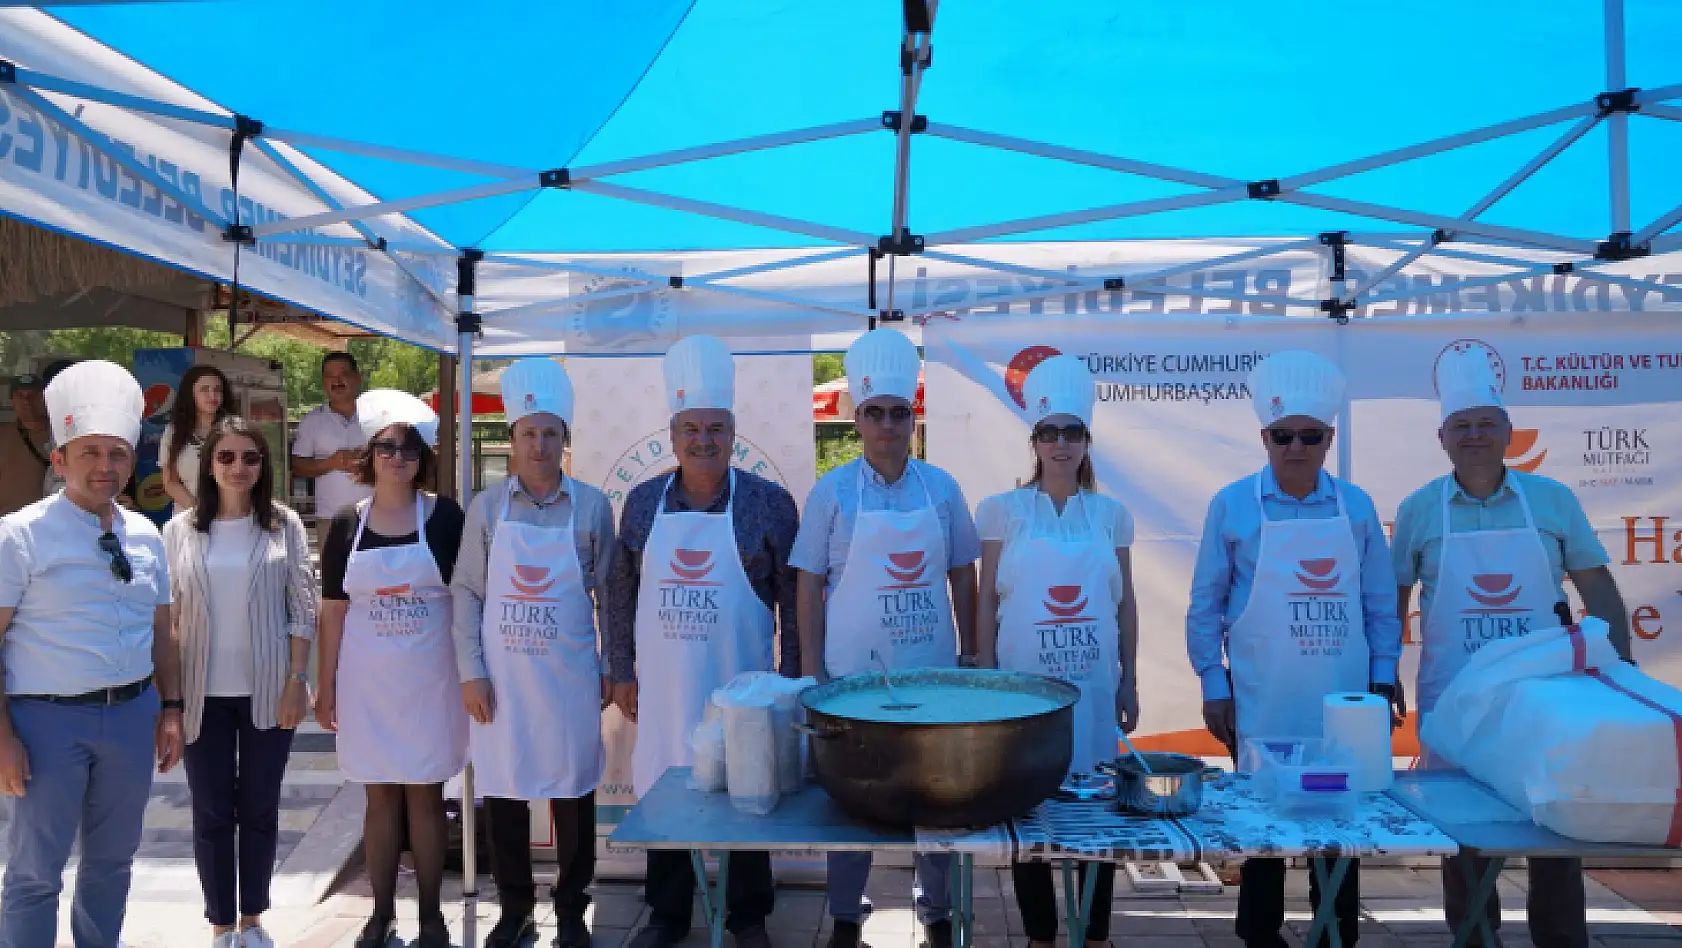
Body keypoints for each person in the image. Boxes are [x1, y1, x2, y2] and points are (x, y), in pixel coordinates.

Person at [1393, 347, 1631, 948]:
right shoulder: (1419, 509)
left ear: (1507, 432)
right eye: (1461, 426)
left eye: (1485, 424)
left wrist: (1621, 673)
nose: (1474, 436)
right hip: (1456, 698)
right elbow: (1392, 601)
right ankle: (1474, 939)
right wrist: (1383, 673)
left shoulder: (1552, 501)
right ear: (1442, 438)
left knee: (1556, 826)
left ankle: (1562, 942)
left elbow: (1597, 587)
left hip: (1546, 697)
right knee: (1464, 835)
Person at [1185, 350, 1402, 948]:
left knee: (1341, 829)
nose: (1296, 447)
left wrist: (1383, 682)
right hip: (1264, 697)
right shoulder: (1232, 505)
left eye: (1310, 435)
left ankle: (1337, 934)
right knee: (1265, 830)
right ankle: (1260, 936)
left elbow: (1380, 606)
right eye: (1283, 436)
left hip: (1343, 702)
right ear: (1264, 436)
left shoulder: (1355, 506)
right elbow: (1205, 606)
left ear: (1330, 437)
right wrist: (1214, 685)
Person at [607, 336, 800, 948]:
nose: (704, 440)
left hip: (741, 683)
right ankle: (667, 913)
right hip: (662, 682)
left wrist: (792, 678)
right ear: (673, 436)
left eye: (716, 428)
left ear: (734, 434)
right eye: (691, 428)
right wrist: (622, 669)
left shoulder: (769, 504)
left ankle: (748, 916)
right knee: (666, 792)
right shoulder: (641, 504)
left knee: (749, 791)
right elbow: (619, 591)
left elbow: (793, 599)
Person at [794, 328, 980, 948]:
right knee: (856, 799)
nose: (887, 425)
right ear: (858, 419)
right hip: (853, 680)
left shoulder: (943, 488)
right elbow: (808, 585)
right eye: (874, 413)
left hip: (933, 673)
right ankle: (846, 914)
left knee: (938, 797)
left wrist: (970, 660)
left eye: (898, 413)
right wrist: (815, 671)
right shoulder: (832, 492)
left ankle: (939, 912)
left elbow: (963, 576)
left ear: (912, 416)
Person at [0, 359, 185, 947]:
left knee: (113, 863)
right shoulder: (19, 535)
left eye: (118, 454)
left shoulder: (146, 534)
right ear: (60, 460)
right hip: (44, 722)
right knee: (34, 873)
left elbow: (163, 631)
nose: (106, 467)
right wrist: (2, 737)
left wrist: (172, 708)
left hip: (130, 717)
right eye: (90, 453)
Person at [452, 358, 615, 948]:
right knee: (504, 793)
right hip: (502, 678)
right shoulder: (488, 508)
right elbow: (466, 592)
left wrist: (610, 667)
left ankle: (572, 907)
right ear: (512, 438)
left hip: (570, 674)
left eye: (551, 433)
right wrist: (471, 673)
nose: (540, 445)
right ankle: (514, 908)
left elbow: (610, 596)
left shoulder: (593, 506)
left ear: (564, 439)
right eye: (529, 433)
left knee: (573, 793)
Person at [975, 355, 1137, 948]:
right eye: (1050, 432)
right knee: (1031, 814)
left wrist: (1130, 681)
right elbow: (986, 601)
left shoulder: (1110, 515)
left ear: (1087, 440)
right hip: (1023, 695)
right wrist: (985, 681)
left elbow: (1126, 607)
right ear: (1034, 441)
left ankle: (1094, 935)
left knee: (1098, 817)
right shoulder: (1002, 511)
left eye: (1072, 432)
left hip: (1093, 688)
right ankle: (1041, 938)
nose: (1061, 443)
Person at [315, 390, 467, 948]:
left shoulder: (446, 517)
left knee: (426, 796)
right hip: (367, 683)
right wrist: (324, 685)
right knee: (379, 797)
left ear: (422, 457)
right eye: (387, 447)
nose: (397, 457)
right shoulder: (343, 525)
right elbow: (332, 612)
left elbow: (469, 599)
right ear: (370, 453)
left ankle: (431, 917)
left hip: (431, 680)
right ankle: (381, 914)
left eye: (409, 448)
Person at [164, 416, 316, 948]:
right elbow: (170, 618)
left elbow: (303, 608)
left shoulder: (284, 525)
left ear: (262, 465)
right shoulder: (179, 529)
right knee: (210, 811)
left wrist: (298, 679)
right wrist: (170, 701)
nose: (238, 467)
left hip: (270, 689)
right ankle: (220, 924)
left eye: (250, 458)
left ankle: (253, 919)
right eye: (226, 457)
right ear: (209, 465)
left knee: (258, 807)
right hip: (201, 692)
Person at [291, 352, 372, 541]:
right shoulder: (312, 420)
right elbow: (297, 466)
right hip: (330, 519)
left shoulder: (377, 417)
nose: (337, 381)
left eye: (343, 374)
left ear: (357, 378)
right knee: (334, 571)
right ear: (323, 382)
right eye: (330, 376)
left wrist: (367, 458)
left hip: (376, 516)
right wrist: (331, 463)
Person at [162, 365, 234, 511]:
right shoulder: (174, 432)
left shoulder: (234, 430)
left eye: (217, 390)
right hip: (189, 519)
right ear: (191, 393)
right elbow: (171, 483)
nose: (212, 396)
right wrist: (197, 510)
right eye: (204, 389)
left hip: (230, 516)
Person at [0, 373, 53, 516]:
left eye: (33, 395)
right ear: (12, 400)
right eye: (20, 395)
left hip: (50, 524)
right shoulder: (3, 436)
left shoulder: (62, 435)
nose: (27, 401)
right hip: (8, 525)